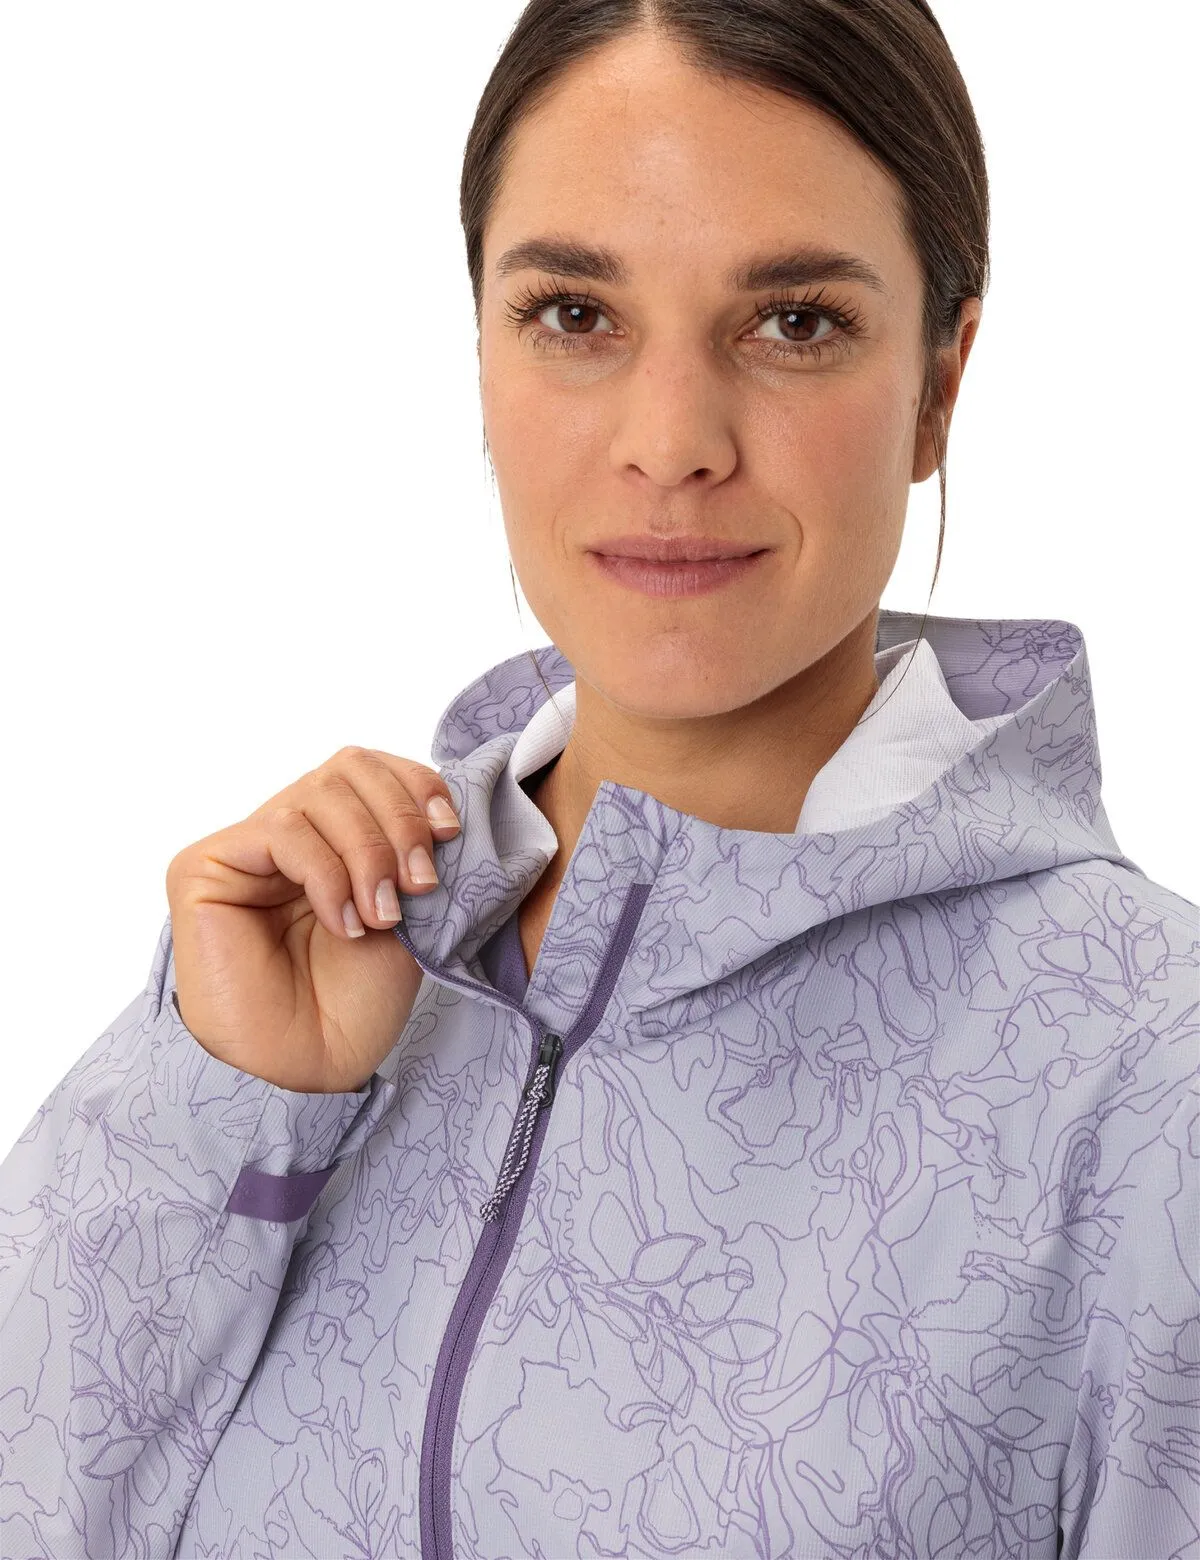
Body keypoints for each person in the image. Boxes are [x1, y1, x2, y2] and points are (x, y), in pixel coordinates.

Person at [2, 0, 1196, 1555]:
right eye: (575, 313)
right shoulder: (315, 960)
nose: (671, 441)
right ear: (481, 352)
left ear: (940, 383)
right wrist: (228, 1104)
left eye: (795, 323)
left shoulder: (1148, 1075)